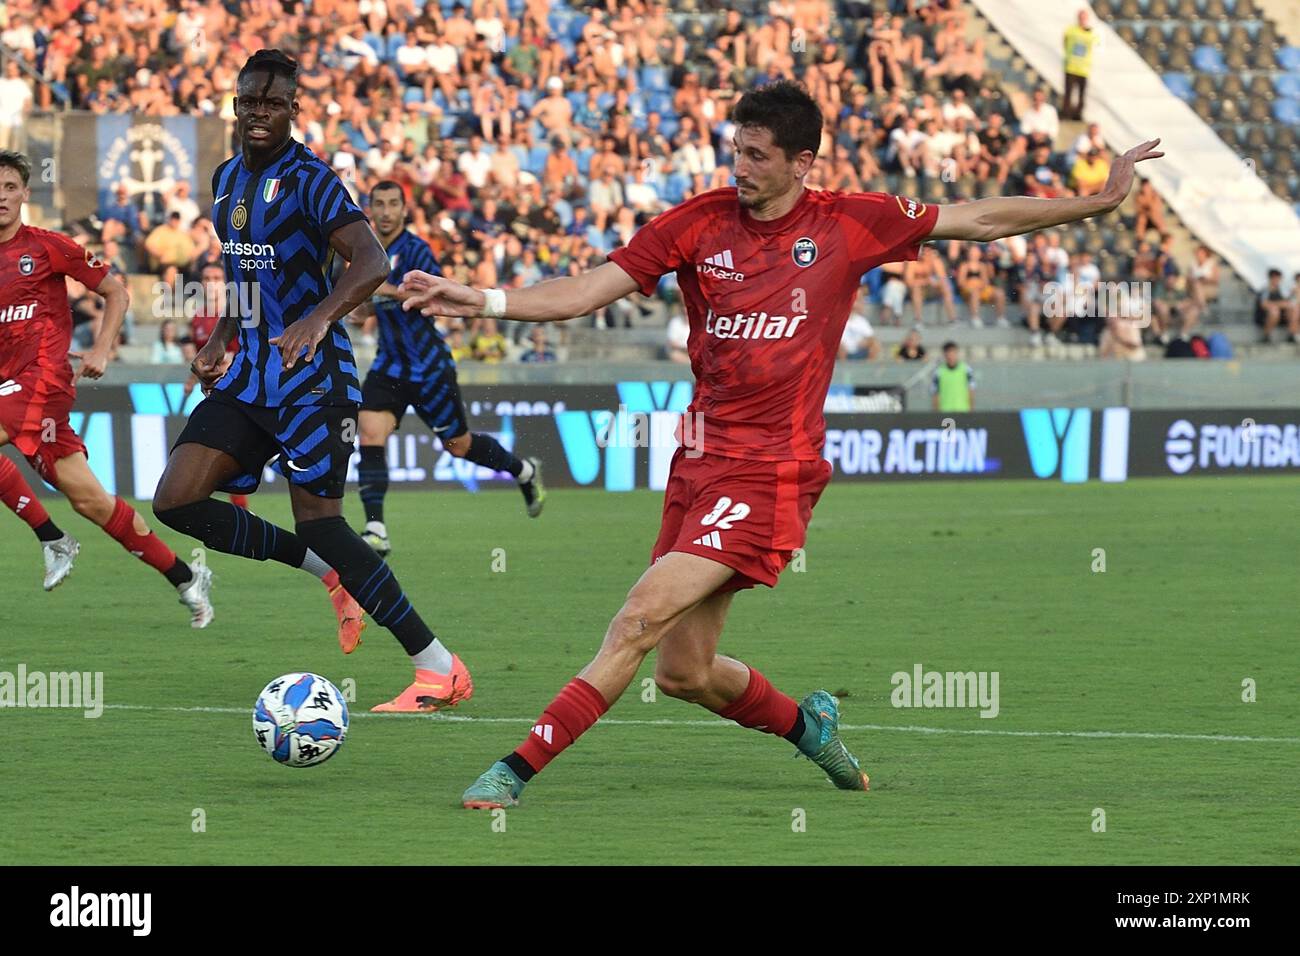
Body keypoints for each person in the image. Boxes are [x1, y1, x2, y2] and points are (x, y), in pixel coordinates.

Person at [399, 80, 1162, 809]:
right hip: (699, 462)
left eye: (759, 155)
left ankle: (514, 768)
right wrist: (485, 299)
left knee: (637, 618)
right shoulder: (699, 221)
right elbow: (588, 289)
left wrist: (1094, 200)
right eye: (737, 150)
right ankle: (809, 726)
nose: (741, 167)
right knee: (683, 672)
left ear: (803, 163)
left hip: (773, 469)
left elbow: (980, 219)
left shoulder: (852, 221)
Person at [149, 49, 469, 713]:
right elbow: (243, 277)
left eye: (273, 104)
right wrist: (216, 342)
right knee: (177, 500)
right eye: (249, 103)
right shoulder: (226, 177)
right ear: (235, 105)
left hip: (314, 380)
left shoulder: (311, 180)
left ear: (293, 108)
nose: (259, 114)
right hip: (251, 375)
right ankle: (329, 577)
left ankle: (439, 669)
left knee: (322, 521)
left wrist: (320, 320)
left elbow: (373, 259)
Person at [0, 150, 212, 625]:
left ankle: (50, 536)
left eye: (10, 187)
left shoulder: (49, 246)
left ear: (25, 195)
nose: (1, 196)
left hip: (45, 381)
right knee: (93, 502)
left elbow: (115, 290)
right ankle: (185, 578)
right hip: (13, 392)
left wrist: (100, 349)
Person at [352, 180, 544, 559]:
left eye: (394, 204)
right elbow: (370, 305)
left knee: (458, 446)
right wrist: (363, 308)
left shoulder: (417, 250)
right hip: (390, 364)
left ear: (404, 210)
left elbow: (434, 294)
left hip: (429, 368)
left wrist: (379, 290)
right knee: (370, 432)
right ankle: (376, 529)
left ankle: (523, 470)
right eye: (380, 204)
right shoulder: (366, 253)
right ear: (369, 210)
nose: (387, 211)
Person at [1062, 9, 1096, 121]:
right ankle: (1066, 113)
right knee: (1068, 92)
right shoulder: (1071, 30)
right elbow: (1065, 41)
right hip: (1071, 67)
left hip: (1084, 69)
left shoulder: (1091, 32)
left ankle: (1078, 114)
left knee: (1081, 94)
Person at [933, 341, 975, 412]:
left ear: (957, 353)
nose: (951, 355)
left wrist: (971, 410)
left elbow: (971, 391)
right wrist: (937, 413)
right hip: (945, 412)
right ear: (944, 354)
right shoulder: (938, 372)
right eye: (948, 352)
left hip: (963, 411)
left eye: (953, 352)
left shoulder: (966, 369)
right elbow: (935, 394)